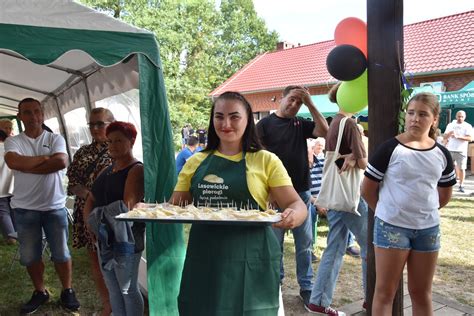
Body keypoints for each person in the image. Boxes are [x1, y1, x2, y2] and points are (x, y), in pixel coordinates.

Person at [170, 91, 308, 315]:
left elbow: (295, 203)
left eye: (234, 117)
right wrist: (146, 210)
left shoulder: (265, 160)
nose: (226, 124)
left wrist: (294, 215)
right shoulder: (196, 161)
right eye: (219, 116)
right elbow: (174, 207)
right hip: (205, 260)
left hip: (252, 260)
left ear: (248, 120)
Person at [362, 92, 455, 315]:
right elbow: (367, 190)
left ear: (434, 119)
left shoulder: (442, 153)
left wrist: (421, 212)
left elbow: (444, 195)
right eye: (411, 112)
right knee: (385, 292)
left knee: (421, 293)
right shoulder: (389, 149)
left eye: (423, 114)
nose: (415, 118)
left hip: (428, 230)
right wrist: (387, 212)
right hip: (391, 228)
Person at [4, 98, 80, 314]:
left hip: (53, 207)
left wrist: (28, 165)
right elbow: (13, 163)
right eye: (27, 112)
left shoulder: (56, 138)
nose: (33, 116)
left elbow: (60, 163)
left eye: (37, 111)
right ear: (20, 116)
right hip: (24, 208)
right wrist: (45, 159)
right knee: (29, 256)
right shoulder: (14, 141)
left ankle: (67, 290)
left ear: (43, 114)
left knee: (61, 253)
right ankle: (40, 292)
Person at [257, 85, 328, 305]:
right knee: (274, 244)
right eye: (292, 99)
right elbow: (257, 158)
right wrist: (267, 189)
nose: (294, 105)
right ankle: (275, 285)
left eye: (299, 102)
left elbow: (325, 131)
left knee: (304, 244)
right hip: (275, 195)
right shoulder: (265, 124)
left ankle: (306, 287)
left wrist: (310, 103)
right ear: (282, 98)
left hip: (302, 193)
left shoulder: (300, 124)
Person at [307, 83, 368, 316]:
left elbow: (337, 160)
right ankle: (371, 298)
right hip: (349, 196)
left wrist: (351, 156)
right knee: (370, 247)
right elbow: (363, 164)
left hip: (333, 195)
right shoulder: (350, 124)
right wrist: (357, 154)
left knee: (334, 247)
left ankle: (318, 302)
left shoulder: (334, 123)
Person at [84, 121, 145, 316]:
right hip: (105, 238)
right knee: (113, 288)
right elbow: (90, 198)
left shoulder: (136, 169)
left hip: (126, 239)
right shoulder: (107, 169)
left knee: (127, 288)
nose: (113, 145)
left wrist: (98, 218)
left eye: (119, 141)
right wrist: (91, 225)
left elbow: (126, 206)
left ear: (132, 141)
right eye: (110, 141)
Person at [66, 107, 115, 316]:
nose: (95, 129)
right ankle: (107, 306)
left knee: (116, 259)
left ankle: (120, 306)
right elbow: (72, 183)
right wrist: (88, 195)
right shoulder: (83, 152)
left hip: (112, 214)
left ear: (111, 124)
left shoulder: (121, 148)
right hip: (86, 214)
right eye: (91, 124)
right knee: (95, 259)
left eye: (100, 124)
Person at [308, 137, 327, 262]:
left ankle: (349, 244)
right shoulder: (300, 168)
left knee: (344, 209)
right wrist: (318, 203)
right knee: (309, 212)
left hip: (325, 199)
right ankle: (309, 249)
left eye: (321, 146)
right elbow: (302, 193)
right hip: (311, 201)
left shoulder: (323, 163)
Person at [443, 110, 472, 192]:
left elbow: (470, 138)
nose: (460, 118)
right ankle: (447, 184)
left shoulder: (467, 126)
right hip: (450, 149)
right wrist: (449, 134)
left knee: (462, 168)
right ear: (456, 116)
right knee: (447, 168)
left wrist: (458, 137)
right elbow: (444, 136)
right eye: (459, 116)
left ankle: (461, 185)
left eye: (462, 117)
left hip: (461, 150)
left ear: (465, 117)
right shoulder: (451, 125)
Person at [0, 129, 15, 245]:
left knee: (3, 212)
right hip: (13, 185)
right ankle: (17, 232)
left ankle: (10, 237)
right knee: (14, 210)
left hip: (1, 187)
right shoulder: (10, 149)